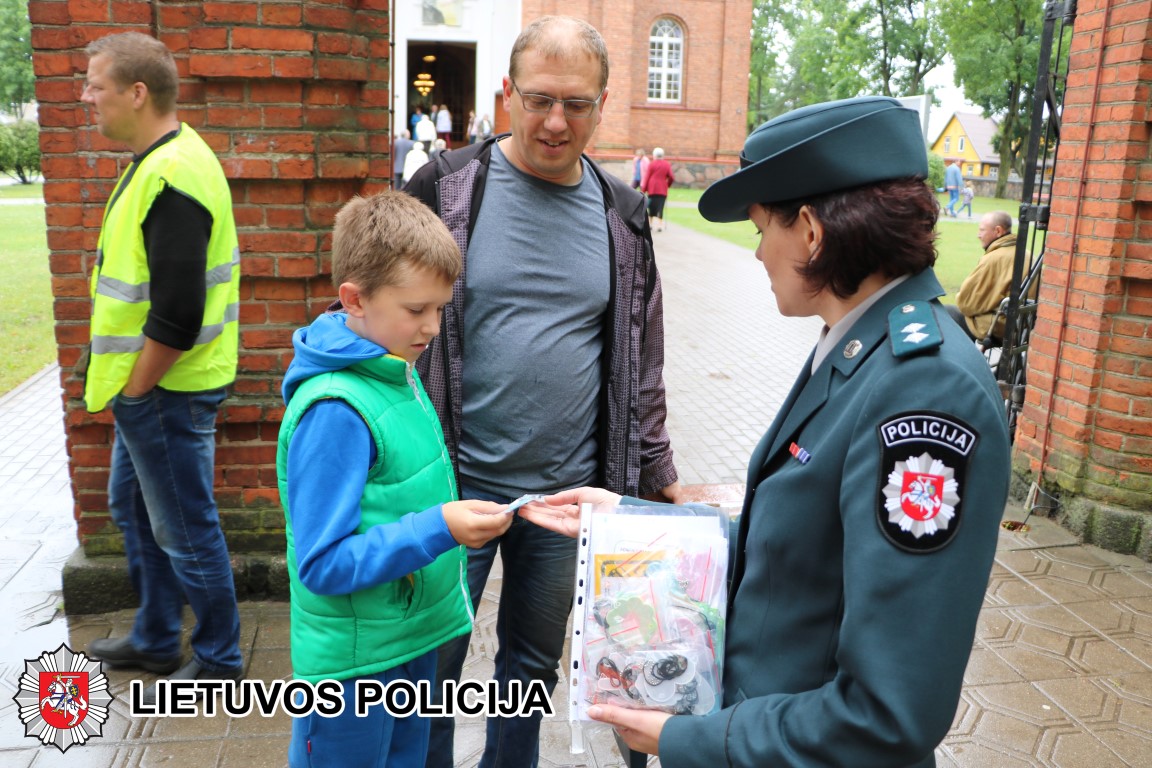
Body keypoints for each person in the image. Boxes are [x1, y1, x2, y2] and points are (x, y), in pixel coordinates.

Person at [521, 96, 1011, 768]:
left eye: (760, 229)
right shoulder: (859, 349)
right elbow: (794, 554)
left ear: (810, 231)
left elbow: (888, 715)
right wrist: (629, 522)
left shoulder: (924, 390)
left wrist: (687, 739)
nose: (756, 254)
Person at [404, 15, 682, 768]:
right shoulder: (445, 187)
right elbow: (379, 315)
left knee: (527, 669)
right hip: (452, 485)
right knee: (430, 669)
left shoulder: (623, 213)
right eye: (539, 100)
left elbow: (641, 359)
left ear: (602, 103)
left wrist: (657, 477)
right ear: (508, 96)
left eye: (576, 103)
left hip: (567, 502)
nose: (556, 121)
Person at [278, 191, 512, 768]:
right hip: (354, 674)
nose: (433, 327)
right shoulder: (336, 409)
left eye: (440, 308)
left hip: (406, 644)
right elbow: (322, 563)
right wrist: (438, 528)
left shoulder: (392, 368)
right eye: (416, 310)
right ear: (354, 299)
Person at [79, 32, 245, 700]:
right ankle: (152, 635)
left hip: (165, 389)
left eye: (96, 84)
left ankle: (219, 656)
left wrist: (138, 391)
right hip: (148, 389)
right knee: (133, 506)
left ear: (137, 92)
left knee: (184, 526)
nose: (87, 97)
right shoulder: (158, 160)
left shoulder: (173, 176)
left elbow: (176, 313)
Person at [949, 210, 1018, 344]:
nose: (978, 235)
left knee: (947, 313)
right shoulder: (1025, 253)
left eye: (982, 230)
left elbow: (965, 303)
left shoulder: (994, 258)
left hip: (999, 326)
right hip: (1022, 326)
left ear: (998, 231)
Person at [641, 146, 674, 232]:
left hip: (652, 188)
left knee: (651, 207)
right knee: (660, 207)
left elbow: (647, 177)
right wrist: (667, 185)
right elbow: (671, 177)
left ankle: (650, 225)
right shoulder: (667, 164)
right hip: (662, 189)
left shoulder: (652, 164)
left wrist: (643, 189)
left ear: (654, 155)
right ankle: (660, 225)